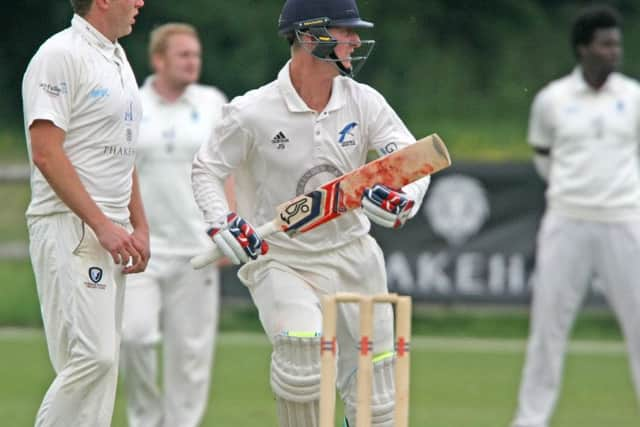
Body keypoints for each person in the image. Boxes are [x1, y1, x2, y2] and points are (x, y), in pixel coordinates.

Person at [191, 0, 431, 425]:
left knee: (377, 397)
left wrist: (404, 199)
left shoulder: (364, 102)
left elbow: (412, 163)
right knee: (301, 353)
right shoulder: (252, 111)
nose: (355, 40)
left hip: (353, 255)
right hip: (283, 258)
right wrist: (220, 220)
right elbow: (207, 168)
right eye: (345, 30)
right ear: (309, 36)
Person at [511, 5, 640, 427]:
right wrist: (574, 193)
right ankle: (530, 419)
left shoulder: (634, 96)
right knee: (548, 327)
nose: (614, 51)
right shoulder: (553, 99)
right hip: (567, 219)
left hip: (624, 219)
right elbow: (543, 157)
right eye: (605, 44)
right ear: (584, 48)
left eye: (617, 43)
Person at [21, 0, 148, 426]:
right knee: (92, 357)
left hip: (112, 230)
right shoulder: (60, 55)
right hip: (70, 226)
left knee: (103, 368)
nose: (140, 3)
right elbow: (45, 152)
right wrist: (100, 224)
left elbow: (123, 153)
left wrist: (139, 225)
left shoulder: (117, 58)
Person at [119, 23, 229, 427]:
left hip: (196, 248)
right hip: (142, 247)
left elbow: (227, 169)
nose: (192, 61)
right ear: (158, 59)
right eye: (183, 54)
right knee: (135, 336)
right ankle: (145, 420)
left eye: (196, 55)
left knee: (191, 353)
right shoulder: (133, 102)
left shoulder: (213, 102)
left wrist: (226, 229)